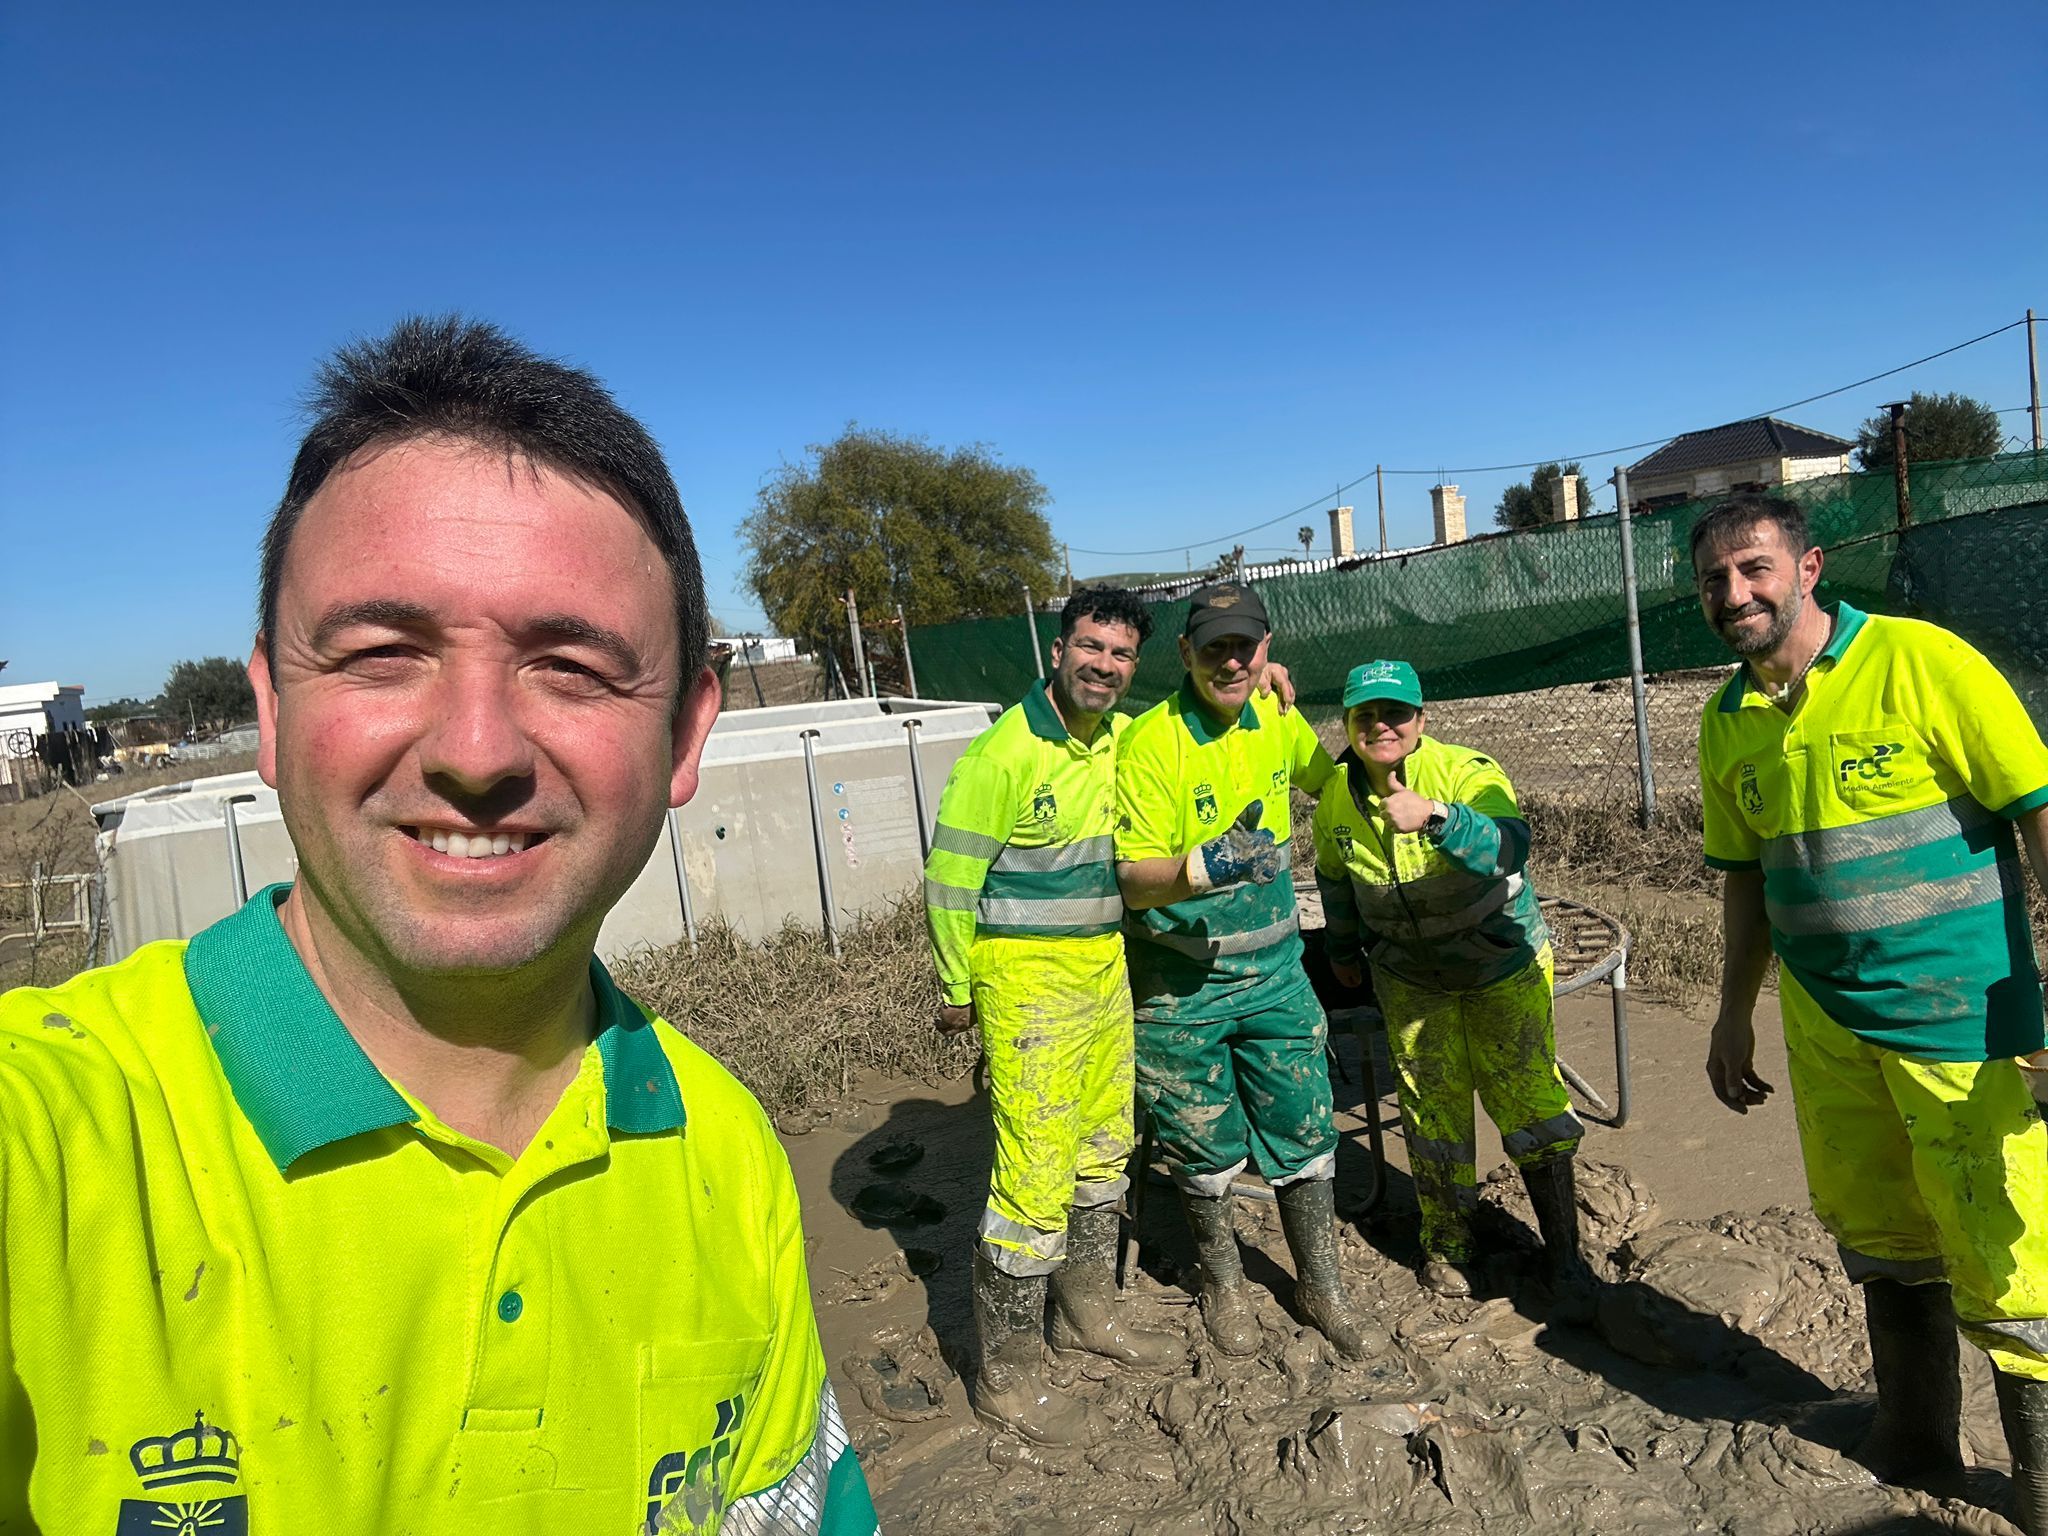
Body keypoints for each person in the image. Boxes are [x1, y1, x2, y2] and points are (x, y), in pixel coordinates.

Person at [0, 316, 879, 1535]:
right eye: (380, 653)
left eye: (570, 666)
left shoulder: (723, 1153)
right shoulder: (59, 1137)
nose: (475, 751)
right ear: (267, 706)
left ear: (684, 734)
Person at [1693, 492, 2048, 1527]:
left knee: (2011, 1264)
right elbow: (1745, 880)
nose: (1733, 593)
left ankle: (2034, 1497)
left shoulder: (1921, 665)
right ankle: (1916, 1444)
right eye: (1713, 578)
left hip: (1964, 1026)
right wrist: (1729, 1013)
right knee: (1883, 1241)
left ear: (1807, 568)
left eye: (1753, 568)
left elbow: (2036, 811)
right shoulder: (1726, 720)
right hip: (1824, 1026)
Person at [923, 587, 1185, 1447]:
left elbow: (1201, 714)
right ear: (1058, 649)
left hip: (1102, 971)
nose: (1103, 667)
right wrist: (957, 987)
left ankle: (1087, 1316)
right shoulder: (1003, 755)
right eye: (1090, 648)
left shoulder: (1120, 741)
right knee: (1033, 1179)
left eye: (1119, 655)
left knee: (1105, 1145)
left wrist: (1267, 683)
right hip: (1025, 984)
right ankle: (1009, 1374)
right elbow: (952, 878)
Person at [1113, 580, 1374, 1361]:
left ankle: (1320, 1286)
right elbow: (1129, 877)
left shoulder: (1274, 714)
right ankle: (1225, 1284)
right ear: (1186, 652)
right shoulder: (1153, 742)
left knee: (1304, 1130)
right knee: (1201, 1147)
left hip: (1278, 974)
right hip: (1181, 985)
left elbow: (1329, 787)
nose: (1232, 660)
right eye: (1215, 647)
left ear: (1266, 649)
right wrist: (1204, 865)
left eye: (1246, 646)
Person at [1309, 660, 1594, 1314]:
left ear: (1421, 720)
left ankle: (1566, 1256)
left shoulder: (1466, 773)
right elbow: (1333, 876)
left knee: (1528, 1103)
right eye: (1365, 716)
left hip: (1500, 966)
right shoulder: (1334, 798)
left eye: (1396, 713)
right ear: (1348, 724)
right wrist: (1344, 949)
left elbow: (1509, 844)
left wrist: (1436, 816)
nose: (1381, 726)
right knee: (1431, 1111)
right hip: (1411, 977)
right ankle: (1448, 1243)